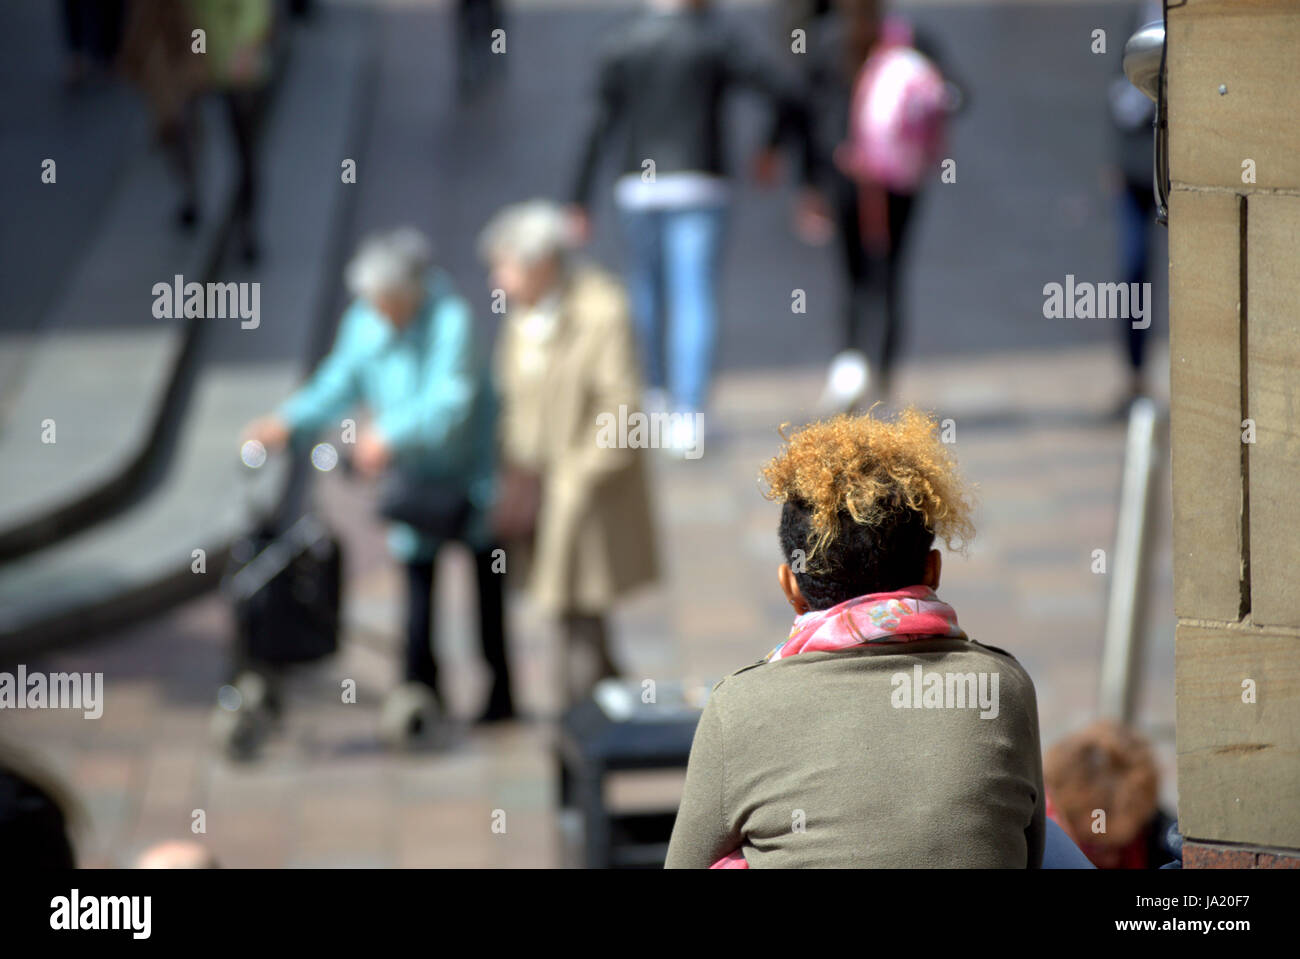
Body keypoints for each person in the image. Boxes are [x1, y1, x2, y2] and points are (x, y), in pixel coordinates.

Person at [665, 408, 1045, 867]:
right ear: (933, 571)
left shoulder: (739, 707)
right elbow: (1030, 851)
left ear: (791, 587)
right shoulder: (1003, 687)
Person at [242, 228, 512, 742]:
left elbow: (451, 403)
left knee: (487, 588)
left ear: (413, 291)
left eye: (390, 302)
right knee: (417, 587)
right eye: (376, 304)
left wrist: (388, 434)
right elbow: (338, 381)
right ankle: (420, 693)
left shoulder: (450, 320)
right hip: (414, 483)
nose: (382, 313)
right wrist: (289, 422)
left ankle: (499, 695)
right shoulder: (366, 323)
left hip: (469, 476)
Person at [569, 0, 811, 451]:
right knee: (693, 295)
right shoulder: (715, 38)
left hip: (640, 187)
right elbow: (786, 90)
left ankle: (654, 397)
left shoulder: (623, 39)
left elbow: (599, 122)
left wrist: (578, 197)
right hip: (701, 179)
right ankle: (690, 412)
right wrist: (772, 146)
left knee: (646, 290)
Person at [479, 201, 659, 706]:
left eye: (506, 267)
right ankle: (612, 711)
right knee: (577, 613)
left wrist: (575, 480)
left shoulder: (602, 309)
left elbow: (621, 409)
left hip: (586, 492)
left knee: (571, 613)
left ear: (541, 264)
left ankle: (574, 727)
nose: (498, 282)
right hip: (533, 487)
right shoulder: (523, 314)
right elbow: (509, 396)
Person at [786, 0, 964, 411]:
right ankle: (872, 372)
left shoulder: (837, 41)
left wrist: (809, 180)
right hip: (885, 180)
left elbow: (804, 112)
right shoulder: (905, 40)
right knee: (882, 274)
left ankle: (860, 368)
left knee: (864, 274)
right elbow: (957, 93)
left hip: (865, 177)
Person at [120, 0, 272, 261]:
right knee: (178, 127)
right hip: (185, 58)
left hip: (231, 63)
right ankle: (191, 194)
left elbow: (254, 10)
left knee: (243, 146)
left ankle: (247, 227)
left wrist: (245, 48)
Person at [1045, 719, 1179, 869]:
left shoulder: (1162, 839)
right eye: (1093, 846)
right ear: (1061, 815)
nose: (1111, 860)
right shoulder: (1034, 843)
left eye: (1122, 847)